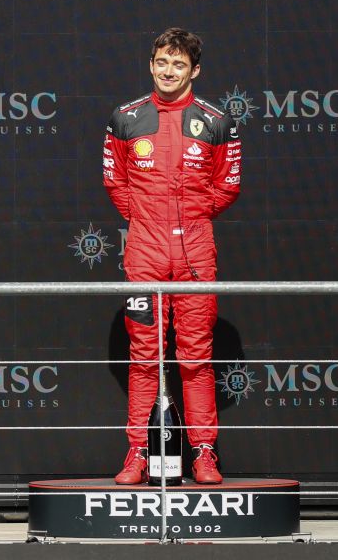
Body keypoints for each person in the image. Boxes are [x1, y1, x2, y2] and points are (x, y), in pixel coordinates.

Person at [103, 28, 241, 485]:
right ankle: (138, 454)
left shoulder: (217, 121)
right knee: (144, 355)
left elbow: (228, 186)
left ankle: (204, 453)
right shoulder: (125, 118)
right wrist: (146, 221)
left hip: (196, 250)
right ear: (151, 64)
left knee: (196, 356)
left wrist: (193, 220)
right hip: (144, 249)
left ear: (194, 70)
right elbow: (116, 185)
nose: (168, 71)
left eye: (179, 64)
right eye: (162, 62)